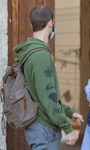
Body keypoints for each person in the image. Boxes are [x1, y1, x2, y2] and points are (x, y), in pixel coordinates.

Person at [13, 5, 84, 150]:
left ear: (32, 24)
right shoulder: (41, 56)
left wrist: (69, 112)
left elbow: (43, 93)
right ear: (50, 22)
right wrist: (67, 127)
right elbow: (47, 97)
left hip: (40, 127)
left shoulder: (30, 52)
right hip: (43, 128)